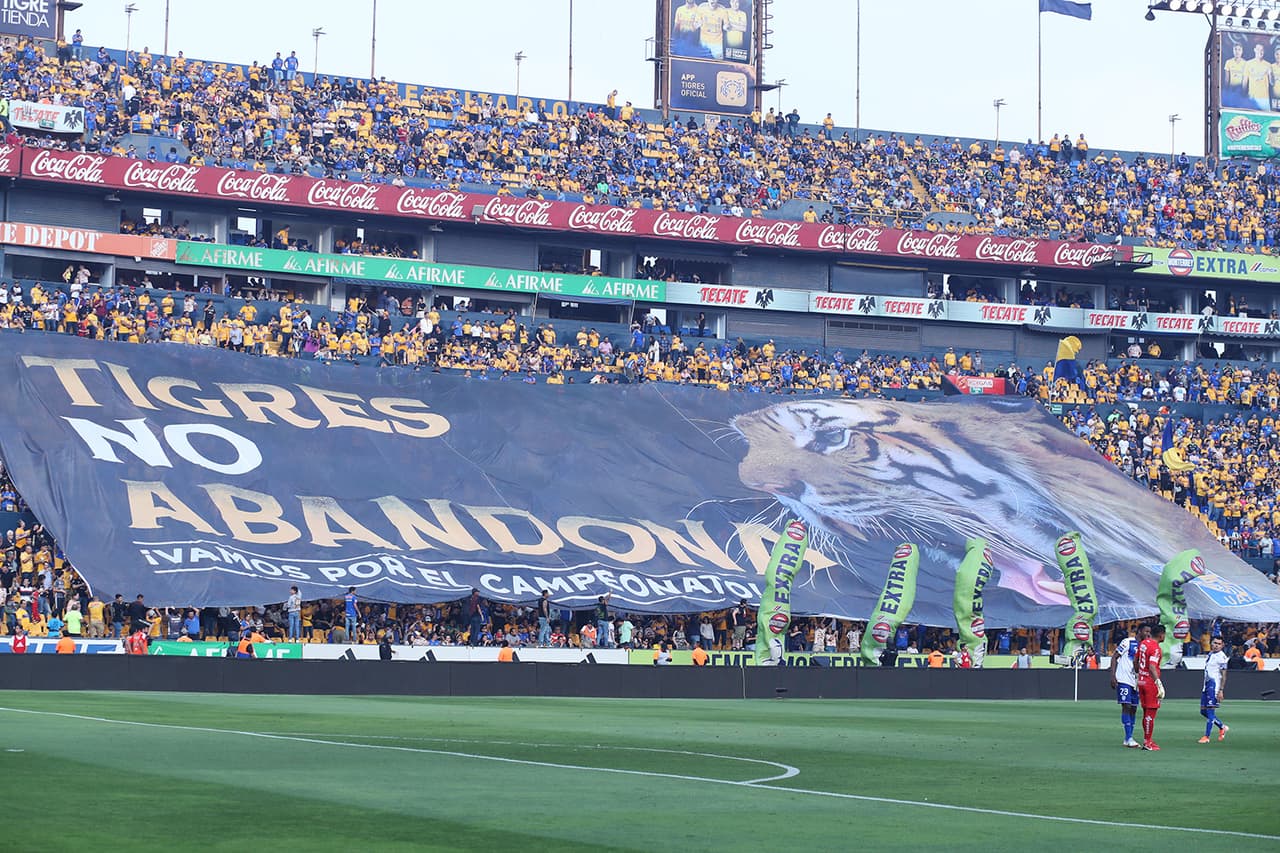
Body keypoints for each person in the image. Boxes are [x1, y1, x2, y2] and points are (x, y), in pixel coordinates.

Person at [1109, 626, 1141, 748]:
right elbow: (1114, 657)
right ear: (1139, 632)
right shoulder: (1128, 642)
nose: (1147, 634)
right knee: (1126, 706)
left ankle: (1128, 738)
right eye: (1146, 631)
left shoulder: (1144, 646)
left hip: (1135, 681)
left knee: (1133, 708)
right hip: (1123, 679)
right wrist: (1113, 676)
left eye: (1149, 632)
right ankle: (1129, 737)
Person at [1136, 624, 1166, 751]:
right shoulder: (1156, 648)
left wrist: (1139, 675)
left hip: (1141, 681)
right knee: (1150, 713)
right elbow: (1152, 667)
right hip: (1149, 683)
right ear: (1161, 635)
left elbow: (1135, 660)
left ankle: (1147, 739)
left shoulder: (1143, 643)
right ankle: (1147, 743)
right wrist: (1158, 683)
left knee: (1145, 712)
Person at [1198, 636, 1230, 744]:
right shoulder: (1211, 654)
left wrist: (1221, 690)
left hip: (1214, 687)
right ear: (1211, 643)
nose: (1216, 645)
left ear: (1222, 645)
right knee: (1203, 711)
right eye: (1215, 643)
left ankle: (1206, 736)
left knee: (1210, 712)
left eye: (1219, 644)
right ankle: (1222, 726)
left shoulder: (1222, 657)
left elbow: (1224, 675)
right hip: (1206, 686)